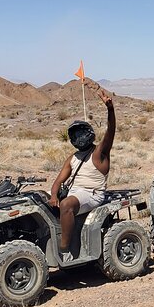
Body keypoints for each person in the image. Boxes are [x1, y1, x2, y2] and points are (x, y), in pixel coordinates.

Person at [50, 82, 115, 262]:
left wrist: (110, 109)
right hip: (75, 193)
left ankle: (64, 251)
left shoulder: (99, 153)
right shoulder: (72, 158)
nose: (78, 138)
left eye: (81, 134)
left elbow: (110, 132)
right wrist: (53, 194)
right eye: (75, 135)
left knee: (66, 205)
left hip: (92, 194)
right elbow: (57, 182)